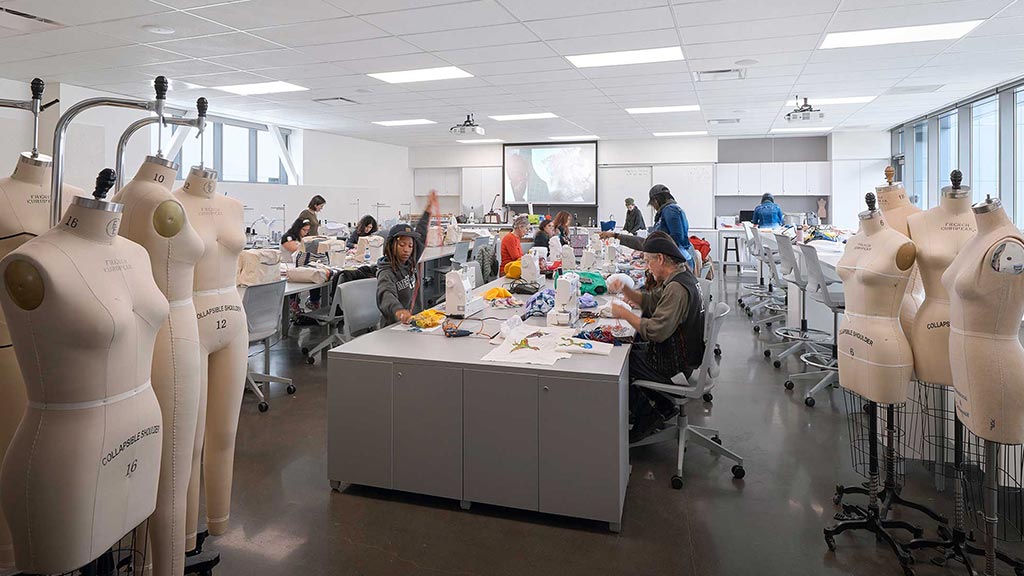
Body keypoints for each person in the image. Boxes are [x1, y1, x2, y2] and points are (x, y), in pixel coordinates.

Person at [608, 231, 706, 442]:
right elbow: (654, 300)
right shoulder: (681, 275)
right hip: (686, 355)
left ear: (660, 258)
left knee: (619, 358)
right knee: (629, 346)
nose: (647, 267)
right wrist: (627, 291)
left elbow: (655, 331)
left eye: (648, 262)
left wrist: (624, 314)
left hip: (676, 365)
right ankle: (663, 405)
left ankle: (647, 415)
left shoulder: (677, 289)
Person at [377, 190, 439, 326]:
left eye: (410, 246)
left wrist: (428, 209)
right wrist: (398, 311)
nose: (407, 249)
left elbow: (421, 233)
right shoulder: (386, 272)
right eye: (402, 245)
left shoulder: (410, 260)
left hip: (414, 322)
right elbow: (386, 294)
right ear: (391, 245)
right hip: (394, 327)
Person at [601, 184, 694, 268]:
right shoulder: (671, 210)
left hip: (678, 262)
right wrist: (616, 236)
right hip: (677, 259)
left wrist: (651, 250)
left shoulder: (670, 210)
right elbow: (650, 242)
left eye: (653, 204)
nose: (654, 207)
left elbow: (676, 238)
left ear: (656, 201)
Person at [281, 217, 312, 315]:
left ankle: (311, 301)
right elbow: (295, 249)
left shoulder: (301, 238)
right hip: (287, 267)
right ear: (298, 228)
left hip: (297, 267)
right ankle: (291, 304)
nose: (306, 232)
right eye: (304, 230)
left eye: (307, 230)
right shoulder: (288, 237)